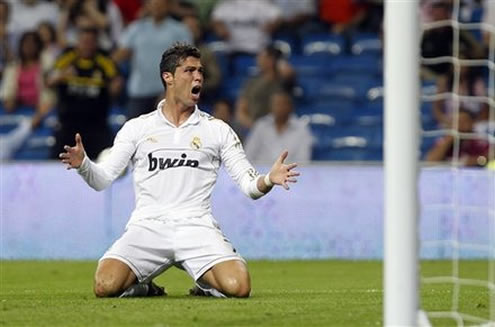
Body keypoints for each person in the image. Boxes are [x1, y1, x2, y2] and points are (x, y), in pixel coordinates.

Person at [58, 43, 299, 298]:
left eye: (200, 72)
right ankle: (143, 286)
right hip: (148, 226)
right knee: (104, 285)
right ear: (168, 77)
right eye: (189, 71)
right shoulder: (137, 128)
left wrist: (268, 180)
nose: (198, 77)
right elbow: (103, 179)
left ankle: (205, 285)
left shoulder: (217, 130)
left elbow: (250, 186)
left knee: (239, 287)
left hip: (197, 226)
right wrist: (84, 165)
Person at [48, 27, 122, 160]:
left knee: (102, 162)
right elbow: (49, 80)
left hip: (96, 124)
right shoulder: (67, 57)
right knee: (59, 161)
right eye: (84, 41)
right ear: (78, 42)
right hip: (68, 123)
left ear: (96, 43)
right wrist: (62, 76)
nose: (87, 45)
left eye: (90, 41)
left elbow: (116, 83)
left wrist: (114, 86)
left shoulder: (104, 60)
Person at [112, 0, 192, 119]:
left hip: (167, 92)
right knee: (136, 134)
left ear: (167, 6)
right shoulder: (136, 28)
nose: (156, 7)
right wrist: (114, 75)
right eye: (153, 4)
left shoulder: (179, 30)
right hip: (139, 90)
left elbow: (188, 61)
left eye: (160, 4)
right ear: (147, 6)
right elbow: (119, 55)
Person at [245, 91, 313, 164]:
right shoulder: (261, 126)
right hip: (260, 171)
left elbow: (304, 160)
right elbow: (248, 154)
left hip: (289, 173)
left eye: (283, 104)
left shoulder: (301, 129)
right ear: (271, 107)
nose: (280, 108)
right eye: (277, 104)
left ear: (290, 107)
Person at [426, 109, 490, 166]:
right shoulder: (445, 140)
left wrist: (476, 160)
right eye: (457, 122)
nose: (460, 125)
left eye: (464, 121)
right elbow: (431, 161)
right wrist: (450, 138)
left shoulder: (479, 141)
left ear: (471, 124)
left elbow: (489, 157)